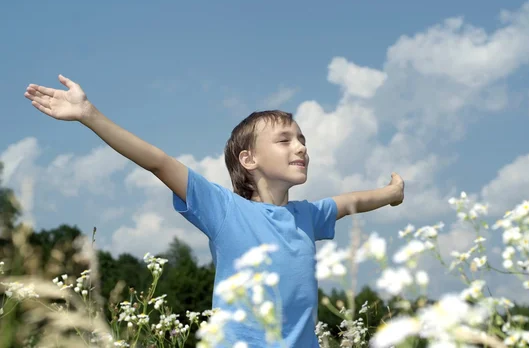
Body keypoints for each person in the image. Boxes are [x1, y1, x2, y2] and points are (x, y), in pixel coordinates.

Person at [24, 75, 405, 347]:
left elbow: (351, 202)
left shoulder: (308, 216)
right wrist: (89, 114)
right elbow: (157, 161)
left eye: (303, 140)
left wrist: (390, 193)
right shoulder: (224, 210)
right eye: (285, 140)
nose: (301, 147)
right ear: (248, 158)